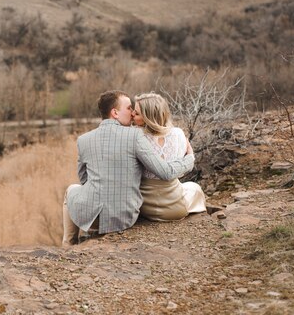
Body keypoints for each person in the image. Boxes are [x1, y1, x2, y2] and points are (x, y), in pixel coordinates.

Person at [62, 90, 195, 246]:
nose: (132, 113)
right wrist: (189, 158)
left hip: (93, 219)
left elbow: (84, 180)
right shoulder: (135, 136)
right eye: (129, 108)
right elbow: (164, 171)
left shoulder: (83, 140)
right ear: (115, 113)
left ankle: (68, 244)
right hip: (125, 218)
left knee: (71, 190)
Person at [132, 93, 207, 221]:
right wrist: (190, 158)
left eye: (137, 113)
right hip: (175, 207)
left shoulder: (134, 136)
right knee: (194, 188)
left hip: (144, 206)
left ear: (148, 118)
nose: (132, 114)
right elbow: (179, 174)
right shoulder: (178, 134)